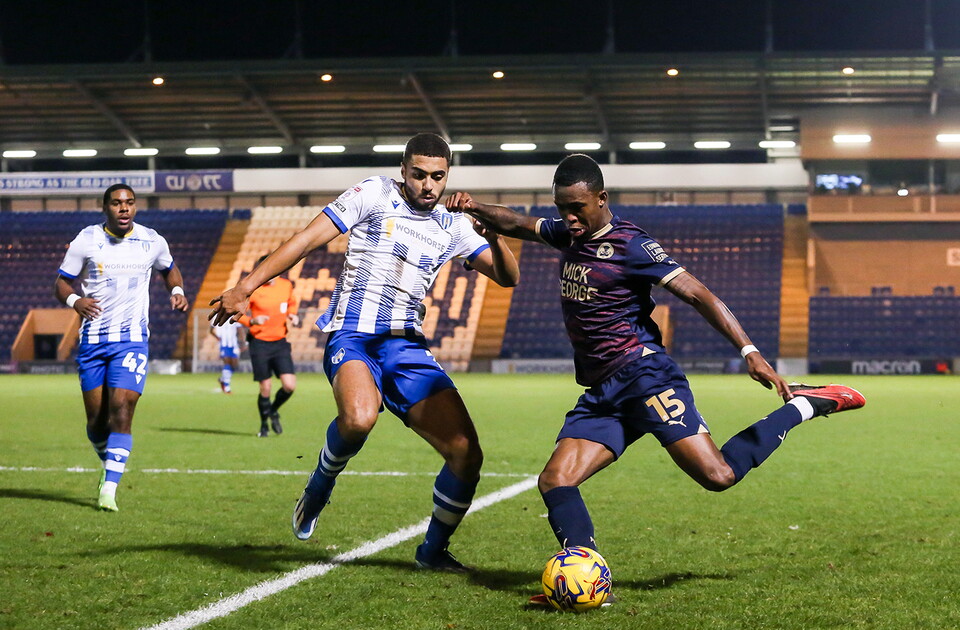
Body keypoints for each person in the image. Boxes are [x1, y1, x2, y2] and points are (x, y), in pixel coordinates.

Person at [446, 154, 865, 597]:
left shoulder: (632, 244)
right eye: (561, 208)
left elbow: (699, 294)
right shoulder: (567, 234)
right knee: (555, 480)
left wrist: (749, 350)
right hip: (602, 391)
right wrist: (472, 207)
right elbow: (516, 222)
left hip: (645, 378)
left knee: (717, 476)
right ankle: (584, 577)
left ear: (602, 199)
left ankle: (805, 405)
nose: (568, 218)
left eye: (578, 208)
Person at [210, 133, 519, 571]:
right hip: (353, 335)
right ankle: (319, 485)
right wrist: (245, 287)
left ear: (448, 175)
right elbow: (305, 240)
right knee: (358, 419)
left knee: (467, 454)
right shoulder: (373, 193)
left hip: (407, 346)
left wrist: (497, 237)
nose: (428, 185)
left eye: (438, 176)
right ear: (403, 170)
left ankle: (432, 552)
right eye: (418, 175)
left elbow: (508, 278)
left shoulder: (455, 224)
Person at [55, 183, 189, 512]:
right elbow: (61, 282)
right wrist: (75, 300)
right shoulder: (86, 239)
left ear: (135, 207)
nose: (124, 208)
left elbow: (169, 269)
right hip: (93, 342)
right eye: (116, 203)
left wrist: (177, 290)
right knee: (97, 422)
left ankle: (109, 489)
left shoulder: (152, 240)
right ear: (105, 208)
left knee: (122, 409)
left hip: (132, 339)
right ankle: (109, 466)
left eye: (129, 203)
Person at [233, 254, 299, 437]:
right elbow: (237, 314)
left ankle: (272, 410)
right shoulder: (252, 289)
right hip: (259, 343)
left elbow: (292, 303)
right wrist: (252, 321)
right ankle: (264, 426)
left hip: (280, 342)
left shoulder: (286, 286)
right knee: (266, 387)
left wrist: (293, 314)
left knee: (289, 385)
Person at [210, 319, 245, 393]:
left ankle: (223, 379)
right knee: (227, 362)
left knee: (234, 365)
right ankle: (227, 387)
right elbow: (211, 329)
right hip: (223, 344)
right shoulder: (217, 315)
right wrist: (218, 337)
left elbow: (240, 329)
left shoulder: (234, 314)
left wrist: (243, 342)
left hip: (233, 344)